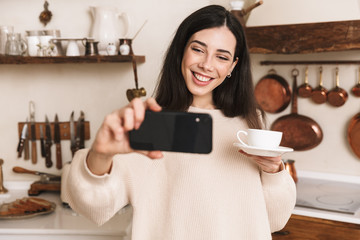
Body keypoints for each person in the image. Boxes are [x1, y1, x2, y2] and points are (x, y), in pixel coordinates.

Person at [62, 4, 296, 240]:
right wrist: (100, 155)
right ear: (181, 50)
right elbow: (94, 207)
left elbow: (274, 219)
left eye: (222, 56)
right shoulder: (149, 121)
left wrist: (275, 172)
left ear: (232, 67)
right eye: (198, 49)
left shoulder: (250, 122)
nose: (206, 64)